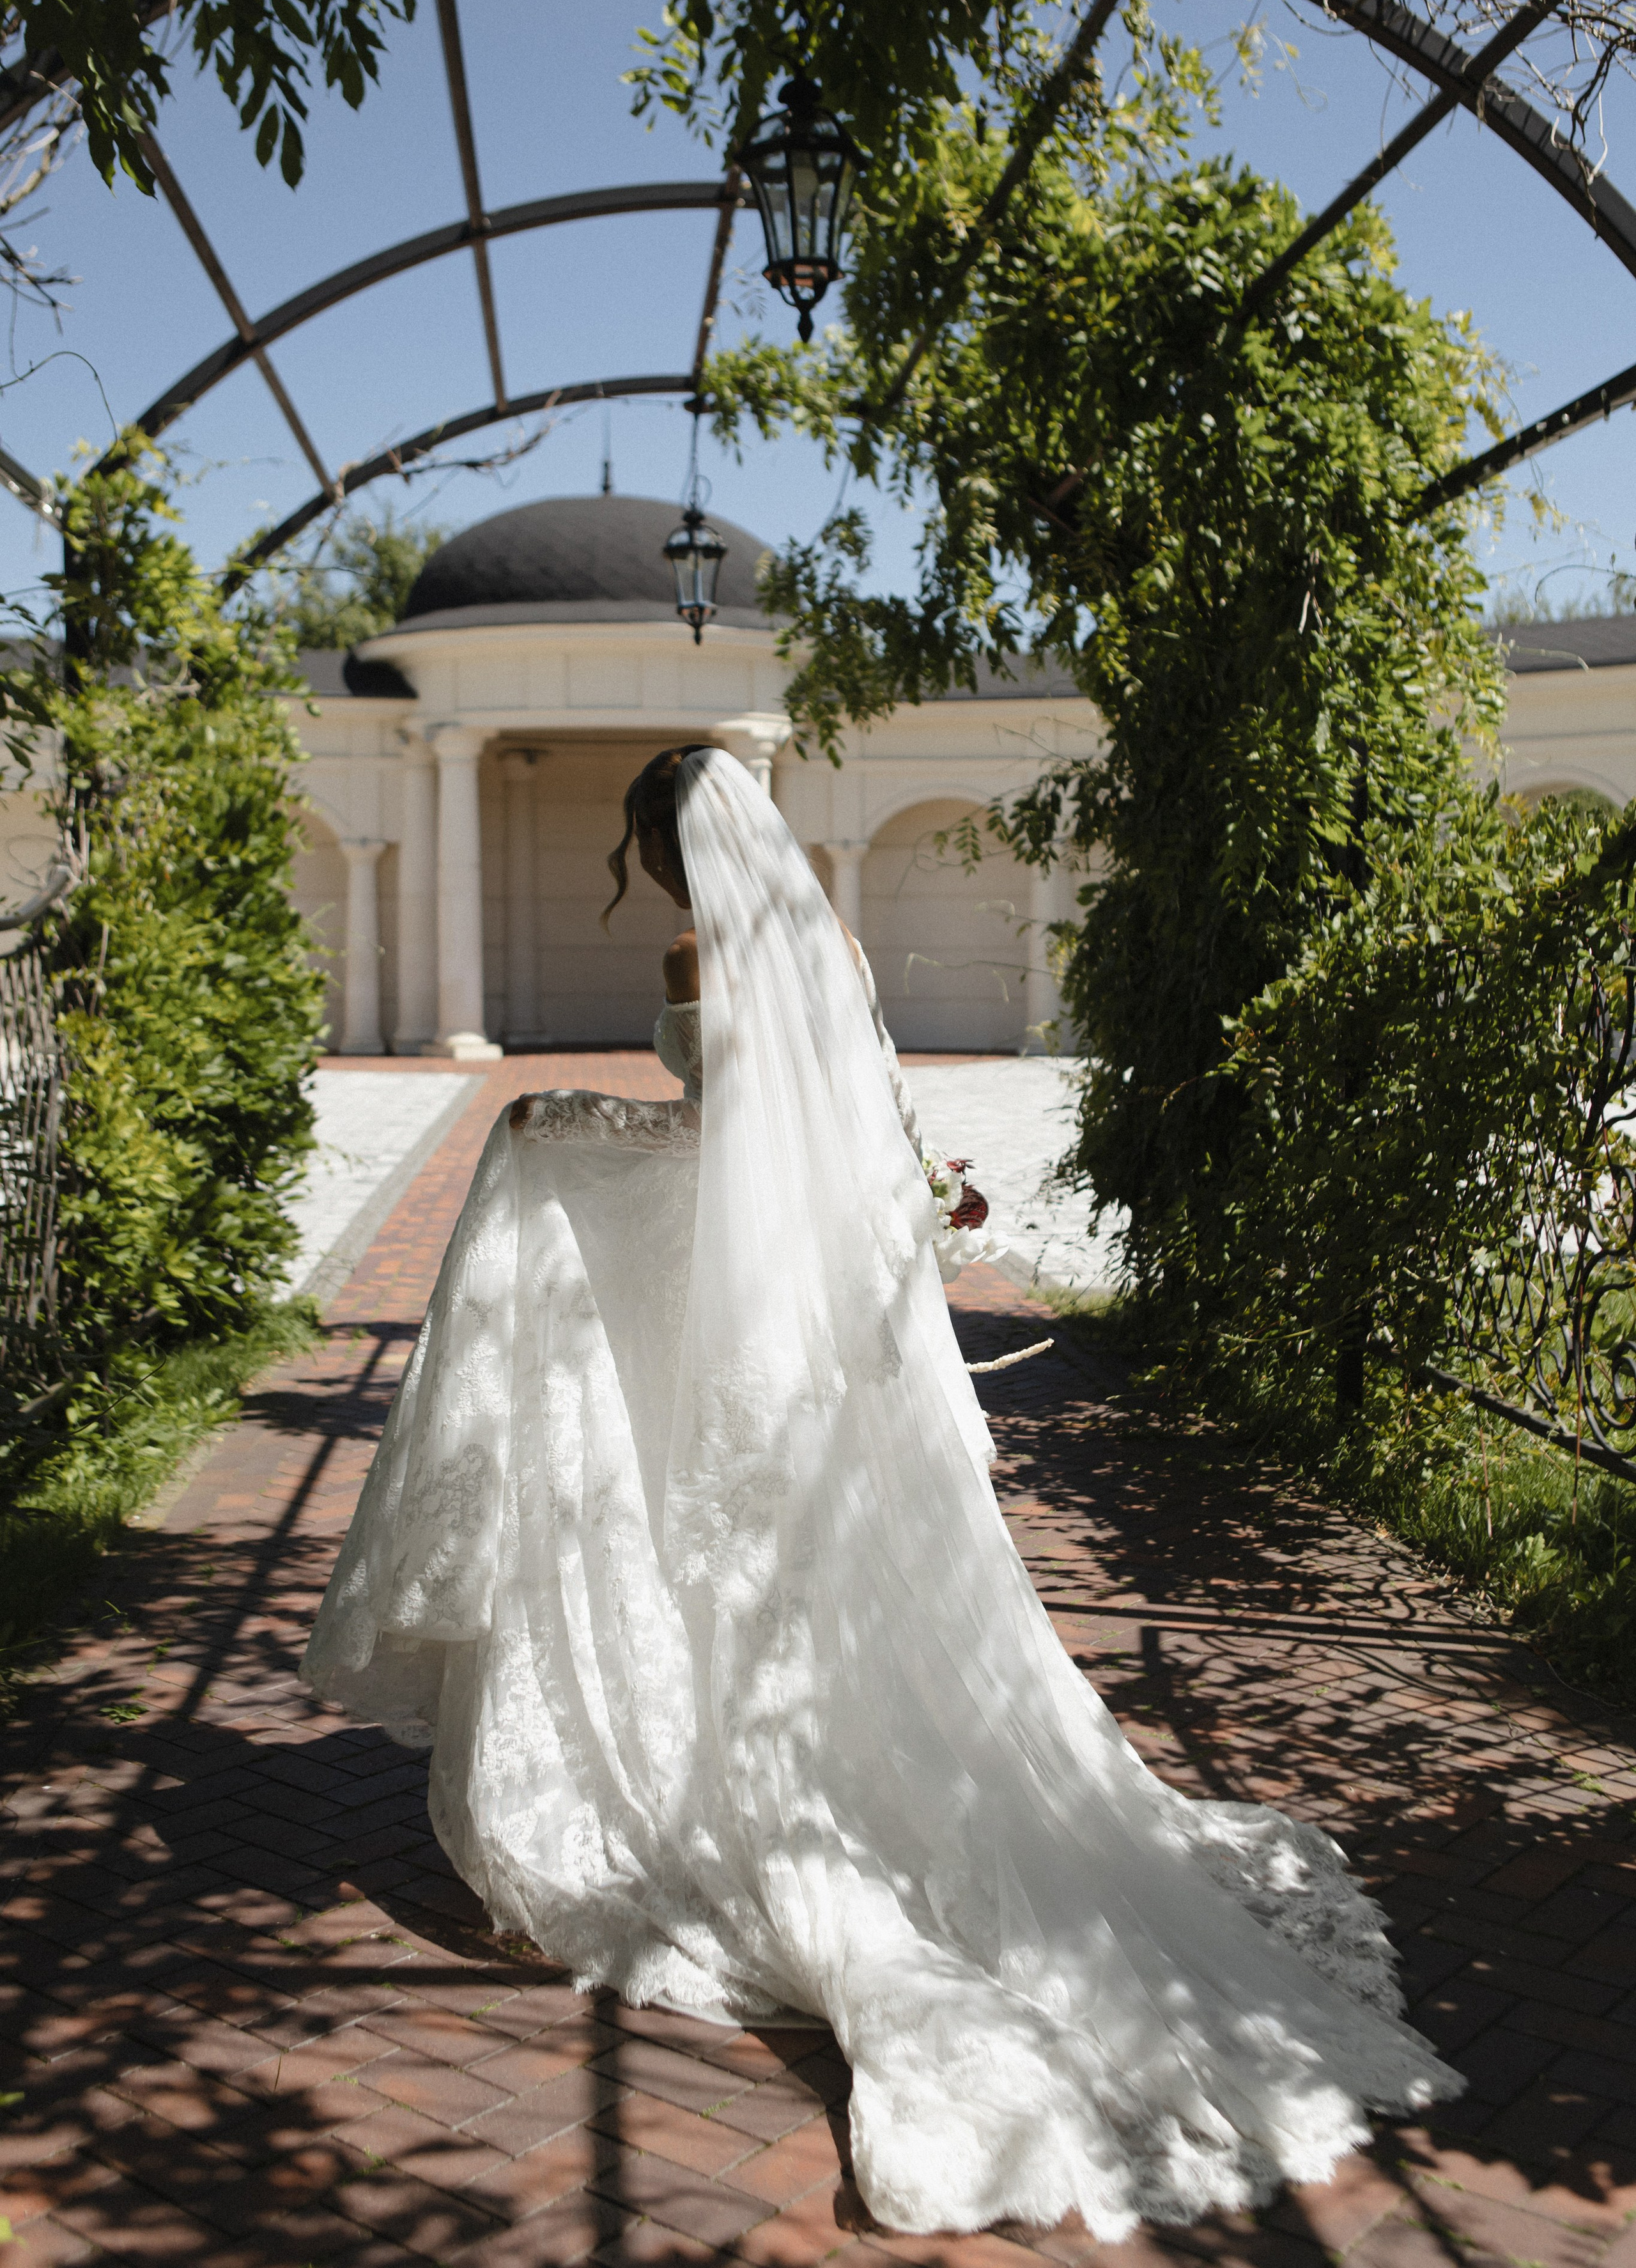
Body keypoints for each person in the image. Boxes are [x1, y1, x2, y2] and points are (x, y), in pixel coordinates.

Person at [302, 743, 1459, 2239]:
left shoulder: (693, 947)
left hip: (746, 1302)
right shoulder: (830, 943)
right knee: (832, 1568)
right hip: (830, 1316)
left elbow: (725, 1141)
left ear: (662, 848)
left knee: (727, 1556)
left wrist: (563, 1124)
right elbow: (849, 1129)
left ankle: (735, 1789)